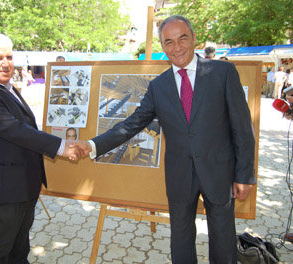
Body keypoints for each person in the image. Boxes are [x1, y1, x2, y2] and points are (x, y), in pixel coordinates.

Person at [74, 15, 255, 263]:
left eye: (182, 38)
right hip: (180, 174)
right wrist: (92, 145)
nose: (177, 47)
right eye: (169, 42)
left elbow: (243, 128)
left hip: (219, 171)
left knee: (223, 238)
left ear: (194, 39)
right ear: (162, 46)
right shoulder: (158, 86)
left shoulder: (222, 73)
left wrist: (243, 175)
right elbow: (132, 124)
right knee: (180, 238)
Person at [0, 32, 78, 263]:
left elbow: (25, 128)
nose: (6, 63)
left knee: (19, 249)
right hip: (3, 190)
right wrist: (60, 146)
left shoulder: (5, 87)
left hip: (23, 185)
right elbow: (16, 130)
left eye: (9, 56)